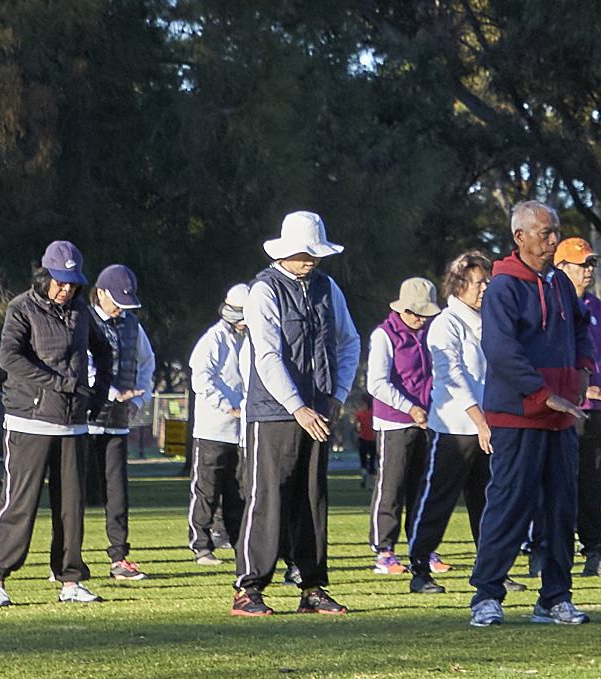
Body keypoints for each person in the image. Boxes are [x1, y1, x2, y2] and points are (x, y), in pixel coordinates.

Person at [226, 211, 359, 617]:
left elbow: (349, 341)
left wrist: (337, 394)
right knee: (267, 498)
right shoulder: (263, 291)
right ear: (286, 252)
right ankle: (248, 589)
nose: (312, 261)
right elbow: (266, 356)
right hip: (273, 412)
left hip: (318, 409)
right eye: (305, 254)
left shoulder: (327, 286)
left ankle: (312, 587)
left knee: (312, 498)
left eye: (315, 254)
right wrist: (296, 406)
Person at [469, 200, 593, 627]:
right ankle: (487, 596)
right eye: (546, 232)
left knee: (562, 509)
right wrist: (542, 393)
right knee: (509, 505)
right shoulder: (503, 287)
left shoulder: (560, 282)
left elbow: (581, 326)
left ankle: (555, 597)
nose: (554, 239)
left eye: (556, 230)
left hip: (561, 418)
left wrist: (583, 369)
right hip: (517, 416)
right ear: (519, 237)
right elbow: (500, 350)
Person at [0, 239, 110, 608]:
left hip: (73, 424)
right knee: (19, 504)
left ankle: (70, 579)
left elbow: (103, 351)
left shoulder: (82, 311)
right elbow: (9, 357)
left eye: (72, 282)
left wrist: (97, 395)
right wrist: (59, 384)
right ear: (44, 276)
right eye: (58, 280)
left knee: (71, 507)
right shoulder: (21, 308)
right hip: (30, 421)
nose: (65, 288)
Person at [406, 251, 496, 589]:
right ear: (459, 286)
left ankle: (489, 570)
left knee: (486, 502)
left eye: (487, 280)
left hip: (485, 429)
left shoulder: (488, 322)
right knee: (437, 501)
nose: (485, 287)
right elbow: (453, 377)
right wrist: (480, 421)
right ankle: (419, 569)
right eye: (478, 281)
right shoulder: (446, 324)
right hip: (454, 430)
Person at [556, 235, 601, 579]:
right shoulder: (551, 304)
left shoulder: (596, 307)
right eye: (582, 264)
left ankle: (594, 553)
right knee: (557, 484)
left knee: (592, 484)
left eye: (591, 264)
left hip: (593, 410)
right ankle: (547, 551)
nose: (588, 271)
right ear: (561, 266)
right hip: (559, 411)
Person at [368, 275, 444, 572]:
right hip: (393, 422)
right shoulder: (384, 335)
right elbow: (377, 383)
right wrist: (409, 407)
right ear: (405, 310)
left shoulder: (429, 335)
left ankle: (422, 548)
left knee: (422, 488)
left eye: (427, 314)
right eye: (419, 314)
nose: (423, 320)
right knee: (392, 486)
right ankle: (384, 551)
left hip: (427, 421)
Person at [89, 265, 155, 584]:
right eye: (116, 301)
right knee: (72, 495)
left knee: (117, 495)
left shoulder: (133, 325)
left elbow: (147, 363)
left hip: (117, 425)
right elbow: (82, 368)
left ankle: (119, 558)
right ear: (100, 293)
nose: (121, 309)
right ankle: (65, 559)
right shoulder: (83, 322)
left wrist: (136, 401)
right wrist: (114, 394)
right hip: (83, 425)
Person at [187, 280, 252, 566]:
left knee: (238, 493)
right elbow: (201, 380)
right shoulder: (212, 339)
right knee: (207, 491)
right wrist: (228, 407)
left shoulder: (251, 339)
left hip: (241, 434)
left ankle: (240, 546)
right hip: (212, 429)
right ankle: (201, 545)